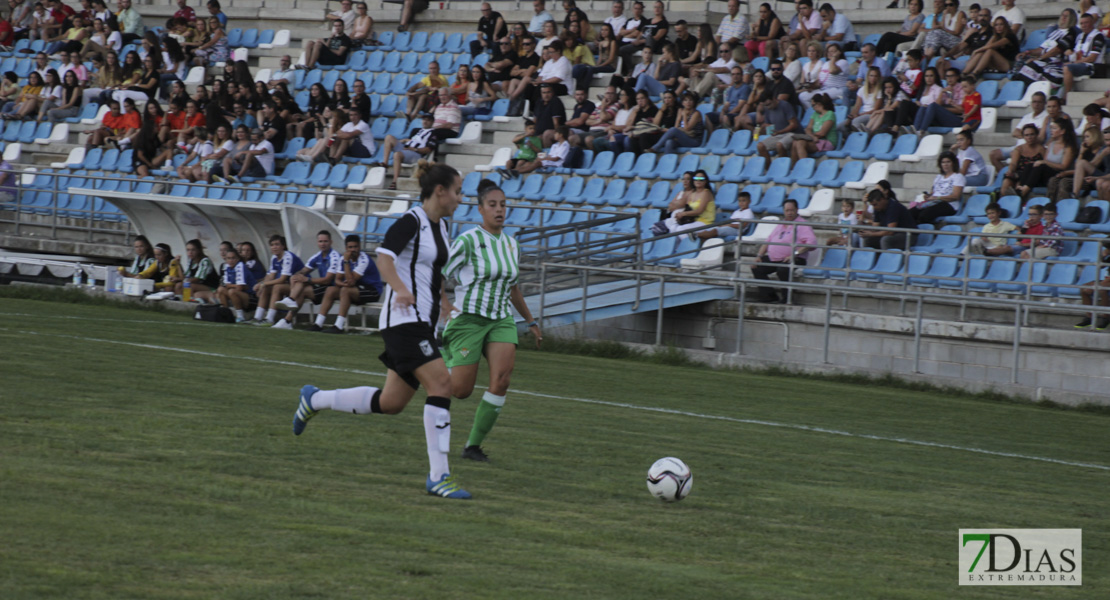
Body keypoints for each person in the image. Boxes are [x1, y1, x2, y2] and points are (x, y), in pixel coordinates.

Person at [292, 163, 471, 499]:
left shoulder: (443, 228)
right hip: (404, 322)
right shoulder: (412, 221)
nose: (461, 198)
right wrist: (400, 289)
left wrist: (445, 306)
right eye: (458, 191)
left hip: (423, 323)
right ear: (441, 192)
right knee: (442, 383)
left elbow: (433, 274)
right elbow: (384, 258)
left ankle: (315, 399)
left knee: (391, 403)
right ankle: (439, 476)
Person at [440, 180, 541, 462]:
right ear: (480, 208)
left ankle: (473, 446)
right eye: (493, 205)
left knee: (502, 379)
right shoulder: (468, 240)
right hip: (469, 320)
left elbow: (513, 287)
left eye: (503, 205)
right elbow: (440, 271)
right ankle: (433, 364)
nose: (499, 210)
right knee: (460, 391)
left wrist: (531, 321)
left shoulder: (511, 245)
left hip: (500, 320)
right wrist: (444, 305)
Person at [272, 230, 342, 330]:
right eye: (320, 241)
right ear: (317, 242)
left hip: (333, 288)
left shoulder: (334, 257)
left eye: (325, 241)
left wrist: (307, 279)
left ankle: (287, 316)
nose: (323, 244)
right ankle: (287, 315)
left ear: (331, 242)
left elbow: (327, 280)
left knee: (301, 290)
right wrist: (296, 277)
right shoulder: (317, 256)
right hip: (323, 287)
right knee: (296, 279)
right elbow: (303, 270)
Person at [752, 199, 816, 303]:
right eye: (787, 210)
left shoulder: (802, 224)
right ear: (783, 211)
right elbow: (768, 241)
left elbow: (811, 243)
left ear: (797, 210)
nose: (789, 213)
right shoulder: (781, 224)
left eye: (792, 210)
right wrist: (759, 255)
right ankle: (769, 296)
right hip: (775, 258)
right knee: (757, 267)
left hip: (796, 258)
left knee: (782, 269)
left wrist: (794, 254)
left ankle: (787, 298)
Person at [245, 234, 304, 325]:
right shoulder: (274, 257)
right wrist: (261, 284)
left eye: (277, 244)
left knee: (276, 287)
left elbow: (282, 279)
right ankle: (258, 317)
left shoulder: (288, 257)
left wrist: (264, 284)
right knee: (266, 287)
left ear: (283, 246)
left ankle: (269, 319)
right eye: (272, 245)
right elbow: (270, 276)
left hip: (299, 286)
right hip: (288, 284)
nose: (274, 247)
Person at [1013, 9, 1079, 89]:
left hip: (1055, 66)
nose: (1063, 17)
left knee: (1029, 66)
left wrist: (1039, 58)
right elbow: (1041, 49)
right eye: (1062, 15)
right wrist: (1027, 52)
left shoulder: (1070, 33)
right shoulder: (1055, 32)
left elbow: (1057, 50)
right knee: (1021, 65)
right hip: (1044, 63)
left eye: (1066, 16)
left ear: (1072, 19)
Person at [379, 113, 438, 190]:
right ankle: (385, 164)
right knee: (388, 137)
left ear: (432, 122)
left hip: (417, 154)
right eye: (424, 119)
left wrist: (414, 149)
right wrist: (406, 140)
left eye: (428, 120)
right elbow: (415, 140)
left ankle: (395, 181)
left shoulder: (433, 133)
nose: (425, 121)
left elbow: (428, 149)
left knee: (397, 155)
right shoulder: (417, 130)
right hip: (407, 148)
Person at [910, 151, 965, 225]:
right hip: (934, 202)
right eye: (943, 162)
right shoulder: (938, 177)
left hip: (949, 204)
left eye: (948, 162)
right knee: (910, 213)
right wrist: (928, 196)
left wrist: (938, 198)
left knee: (924, 215)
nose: (945, 165)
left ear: (953, 163)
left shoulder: (958, 177)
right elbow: (933, 193)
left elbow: (956, 196)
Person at [1062, 13, 1105, 103]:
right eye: (1081, 23)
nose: (1084, 25)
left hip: (1093, 67)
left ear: (1093, 22)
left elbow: (1092, 58)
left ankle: (1067, 97)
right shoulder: (1080, 36)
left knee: (1067, 68)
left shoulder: (1098, 36)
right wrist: (1070, 53)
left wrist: (1074, 63)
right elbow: (1077, 53)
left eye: (1086, 23)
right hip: (1081, 64)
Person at [750, 91, 802, 160]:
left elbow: (794, 125)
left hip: (793, 133)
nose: (767, 107)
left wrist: (780, 131)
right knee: (760, 146)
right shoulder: (767, 109)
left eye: (769, 104)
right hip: (779, 135)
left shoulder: (785, 105)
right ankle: (768, 169)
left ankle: (783, 167)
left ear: (774, 98)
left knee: (779, 145)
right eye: (765, 105)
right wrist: (760, 131)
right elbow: (770, 128)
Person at [790, 92, 836, 163]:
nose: (813, 108)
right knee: (795, 142)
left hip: (827, 141)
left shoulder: (830, 114)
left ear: (819, 104)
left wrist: (812, 136)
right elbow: (808, 128)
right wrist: (812, 136)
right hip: (815, 140)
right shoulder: (815, 114)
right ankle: (794, 168)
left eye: (813, 105)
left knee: (800, 143)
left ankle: (804, 168)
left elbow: (822, 133)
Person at [1075, 242, 1110, 329]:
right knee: (1084, 288)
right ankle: (1089, 317)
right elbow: (1100, 267)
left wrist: (1102, 283)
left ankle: (1106, 317)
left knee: (1101, 288)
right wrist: (1103, 256)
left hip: (1108, 280)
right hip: (1107, 279)